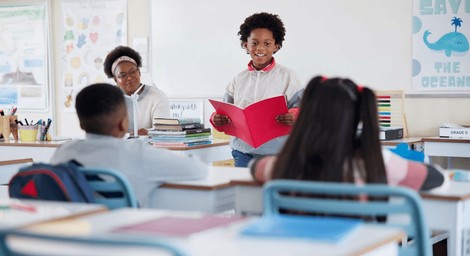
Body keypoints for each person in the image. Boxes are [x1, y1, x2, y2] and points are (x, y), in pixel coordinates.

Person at [251, 76, 445, 191]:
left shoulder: (284, 166)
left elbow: (255, 166)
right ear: (357, 118)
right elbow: (436, 178)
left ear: (307, 117)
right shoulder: (378, 164)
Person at [50, 83, 208, 207]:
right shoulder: (137, 153)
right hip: (126, 237)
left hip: (76, 237)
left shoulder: (63, 152)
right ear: (123, 123)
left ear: (81, 124)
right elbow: (198, 170)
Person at [210, 12, 304, 167]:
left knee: (270, 190)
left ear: (276, 46)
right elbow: (224, 113)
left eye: (267, 43)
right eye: (254, 43)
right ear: (245, 44)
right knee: (244, 189)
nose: (260, 48)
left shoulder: (288, 77)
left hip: (277, 154)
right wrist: (216, 119)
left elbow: (301, 110)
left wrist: (294, 115)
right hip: (243, 152)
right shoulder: (238, 79)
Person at [103, 46, 170, 136]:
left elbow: (164, 131)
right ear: (116, 80)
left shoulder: (157, 97)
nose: (129, 78)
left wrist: (148, 133)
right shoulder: (110, 99)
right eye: (122, 75)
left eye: (132, 72)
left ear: (139, 72)